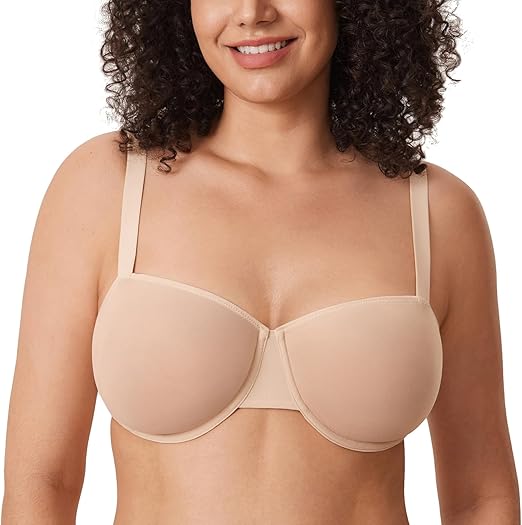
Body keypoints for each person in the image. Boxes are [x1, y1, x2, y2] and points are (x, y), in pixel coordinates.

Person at [2, 0, 520, 523]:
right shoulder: (106, 187)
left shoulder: (437, 215)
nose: (251, 13)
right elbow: (42, 483)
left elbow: (481, 498)